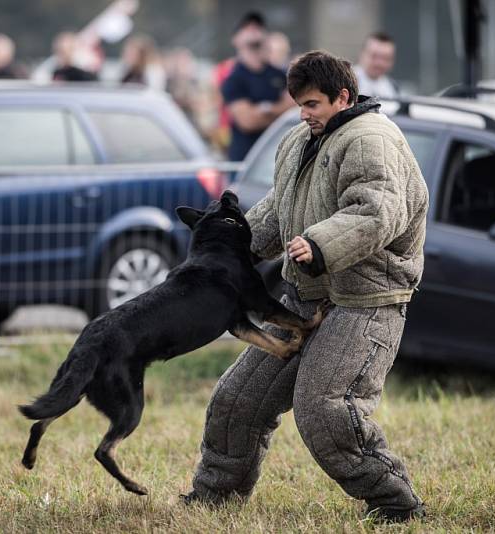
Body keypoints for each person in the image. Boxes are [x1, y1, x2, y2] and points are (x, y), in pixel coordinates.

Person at [181, 50, 429, 523]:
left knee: (324, 410)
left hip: (365, 301)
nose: (303, 114)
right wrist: (229, 252)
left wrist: (317, 245)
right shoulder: (299, 140)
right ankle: (215, 498)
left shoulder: (371, 140)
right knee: (238, 401)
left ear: (343, 96)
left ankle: (397, 504)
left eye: (313, 103)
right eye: (298, 103)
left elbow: (375, 211)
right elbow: (279, 209)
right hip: (305, 298)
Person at [221, 12, 293, 161]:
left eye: (258, 27)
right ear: (236, 39)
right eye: (247, 28)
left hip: (277, 158)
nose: (253, 31)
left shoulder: (280, 74)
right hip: (246, 162)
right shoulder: (233, 79)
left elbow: (293, 107)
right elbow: (248, 121)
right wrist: (280, 112)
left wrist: (265, 109)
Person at [353, 32, 399, 99]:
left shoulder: (393, 88)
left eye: (385, 58)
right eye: (374, 56)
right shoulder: (344, 83)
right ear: (362, 54)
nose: (379, 63)